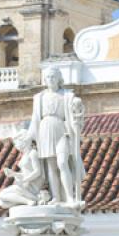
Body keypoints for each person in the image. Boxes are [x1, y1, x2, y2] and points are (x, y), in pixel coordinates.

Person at [27, 66, 84, 205]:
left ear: (59, 79)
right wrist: (29, 136)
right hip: (44, 130)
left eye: (53, 76)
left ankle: (70, 197)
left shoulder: (67, 95)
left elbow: (75, 113)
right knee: (51, 166)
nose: (50, 79)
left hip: (61, 130)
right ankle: (56, 197)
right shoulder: (39, 97)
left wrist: (76, 125)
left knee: (62, 163)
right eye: (47, 77)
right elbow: (35, 118)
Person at [0, 130, 44, 209]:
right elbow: (26, 173)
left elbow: (38, 172)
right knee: (3, 203)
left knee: (1, 195)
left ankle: (30, 200)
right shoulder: (25, 155)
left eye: (16, 142)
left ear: (23, 141)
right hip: (25, 184)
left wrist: (24, 180)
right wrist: (14, 174)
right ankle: (29, 201)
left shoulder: (33, 153)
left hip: (32, 186)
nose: (15, 145)